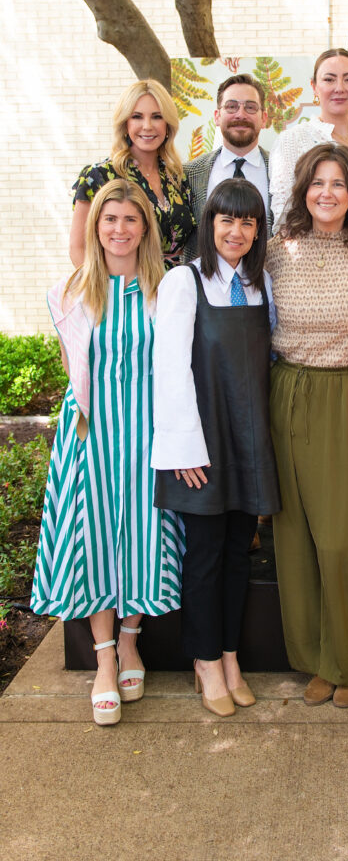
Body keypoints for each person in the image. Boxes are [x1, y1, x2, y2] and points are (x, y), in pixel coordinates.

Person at [31, 179, 185, 726]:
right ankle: (102, 662)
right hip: (91, 438)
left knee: (144, 538)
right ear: (95, 228)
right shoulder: (70, 293)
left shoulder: (166, 290)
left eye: (130, 220)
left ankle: (129, 641)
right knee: (94, 539)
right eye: (109, 219)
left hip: (148, 439)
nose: (119, 229)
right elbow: (79, 375)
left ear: (145, 229)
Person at [267, 143, 348, 708]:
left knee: (344, 536)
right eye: (317, 183)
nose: (326, 193)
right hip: (286, 389)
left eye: (338, 184)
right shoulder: (274, 252)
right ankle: (316, 659)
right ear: (302, 190)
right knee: (293, 534)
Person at [152, 179, 280, 717]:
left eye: (248, 221)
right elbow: (170, 368)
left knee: (235, 555)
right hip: (202, 448)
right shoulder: (185, 281)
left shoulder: (261, 284)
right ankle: (205, 662)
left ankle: (230, 657)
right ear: (210, 225)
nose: (236, 230)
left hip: (247, 443)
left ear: (257, 230)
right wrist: (184, 451)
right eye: (227, 220)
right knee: (202, 556)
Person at [70, 79, 195, 269]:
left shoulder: (177, 177)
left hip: (176, 290)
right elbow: (78, 248)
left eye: (157, 117)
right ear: (125, 123)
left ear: (168, 125)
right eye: (137, 116)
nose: (147, 126)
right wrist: (106, 294)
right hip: (123, 290)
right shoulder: (98, 176)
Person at [269, 48, 348, 230]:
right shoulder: (291, 140)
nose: (339, 88)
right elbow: (283, 220)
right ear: (314, 87)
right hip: (310, 256)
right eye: (329, 79)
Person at [183, 73, 272, 259]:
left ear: (264, 118)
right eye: (231, 107)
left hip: (266, 284)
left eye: (250, 107)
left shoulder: (281, 171)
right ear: (217, 116)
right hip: (205, 284)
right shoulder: (190, 174)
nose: (241, 114)